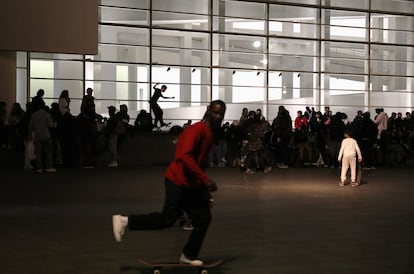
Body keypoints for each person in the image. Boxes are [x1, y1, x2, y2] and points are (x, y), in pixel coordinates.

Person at [112, 100, 226, 266]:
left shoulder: (208, 132)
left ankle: (187, 256)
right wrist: (205, 180)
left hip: (190, 184)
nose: (218, 117)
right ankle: (124, 221)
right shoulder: (198, 129)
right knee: (167, 219)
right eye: (215, 112)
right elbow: (184, 156)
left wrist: (204, 193)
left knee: (203, 218)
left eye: (221, 114)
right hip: (177, 181)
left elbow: (198, 163)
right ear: (208, 110)